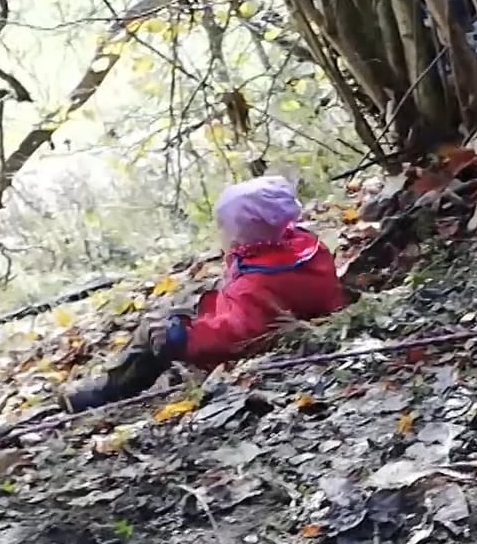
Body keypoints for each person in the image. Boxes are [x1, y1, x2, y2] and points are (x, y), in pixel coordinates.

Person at [61, 176, 347, 412]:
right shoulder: (299, 247)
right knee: (187, 303)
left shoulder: (257, 283)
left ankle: (107, 390)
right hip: (272, 312)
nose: (220, 232)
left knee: (156, 330)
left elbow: (238, 333)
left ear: (244, 233)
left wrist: (185, 337)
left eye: (224, 226)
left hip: (254, 335)